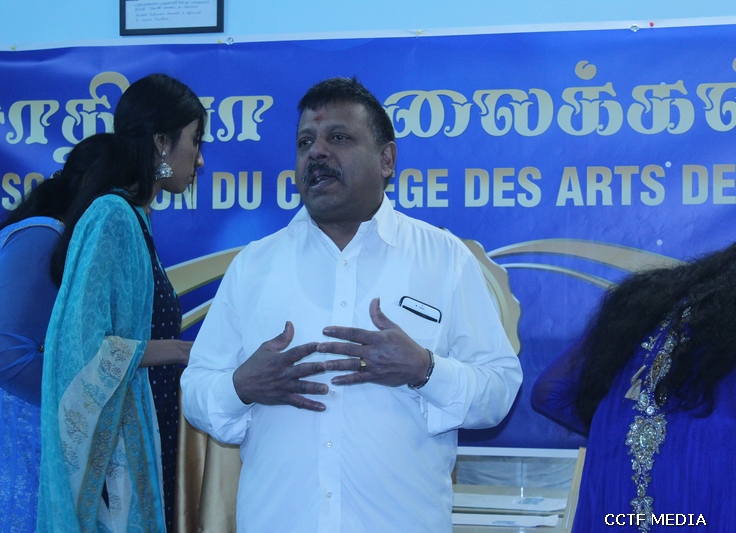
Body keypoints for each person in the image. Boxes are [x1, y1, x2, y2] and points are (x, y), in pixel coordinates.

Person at [181, 76, 523, 532]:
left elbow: (499, 388)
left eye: (338, 138)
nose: (316, 153)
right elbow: (196, 390)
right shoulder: (254, 266)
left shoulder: (444, 260)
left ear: (387, 159)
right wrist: (241, 386)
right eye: (305, 142)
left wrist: (424, 369)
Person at [37, 73, 206, 532]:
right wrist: (185, 351)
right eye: (195, 140)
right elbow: (83, 347)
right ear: (162, 142)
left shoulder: (135, 218)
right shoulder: (112, 216)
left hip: (149, 427)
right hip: (115, 457)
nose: (200, 159)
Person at [0, 132, 112, 533]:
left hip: (6, 432)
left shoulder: (51, 237)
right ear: (91, 187)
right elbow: (4, 357)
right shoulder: (42, 235)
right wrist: (85, 400)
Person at [531, 244, 736, 532]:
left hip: (616, 483)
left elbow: (550, 391)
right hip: (708, 482)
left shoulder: (649, 302)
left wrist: (617, 430)